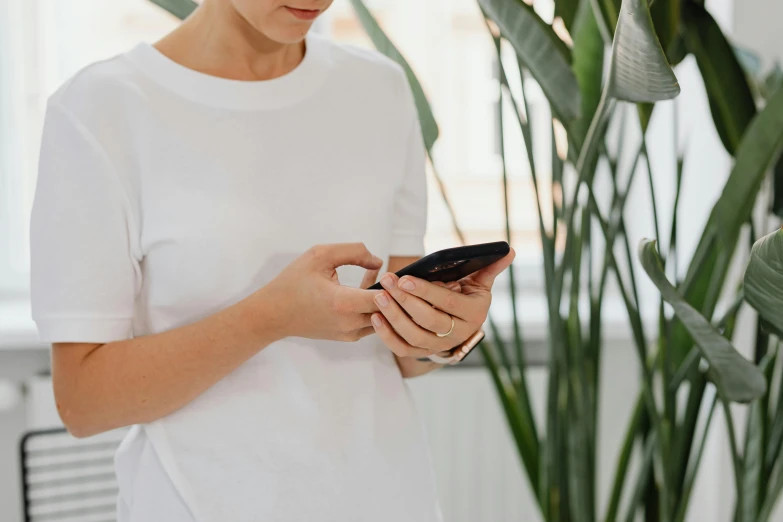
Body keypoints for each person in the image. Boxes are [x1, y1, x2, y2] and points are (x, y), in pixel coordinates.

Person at [29, 1, 515, 520]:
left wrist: (444, 332)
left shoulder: (379, 90)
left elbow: (401, 355)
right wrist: (270, 318)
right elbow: (83, 402)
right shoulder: (100, 110)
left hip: (386, 497)